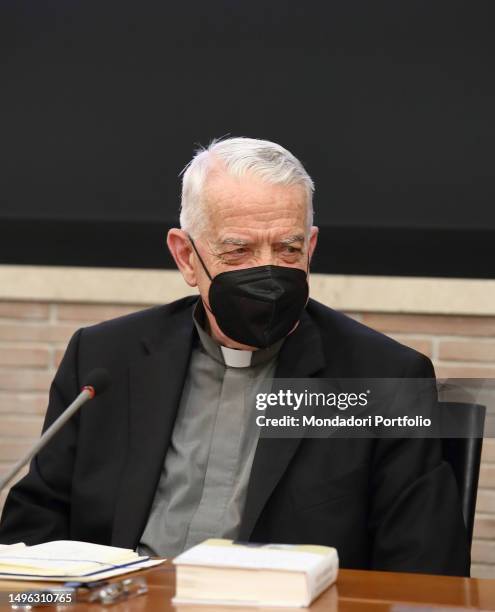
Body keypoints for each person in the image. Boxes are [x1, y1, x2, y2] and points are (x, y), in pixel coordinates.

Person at [0, 137, 469, 575]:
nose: (266, 272)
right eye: (238, 251)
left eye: (287, 249)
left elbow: (424, 571)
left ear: (311, 248)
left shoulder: (381, 379)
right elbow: (32, 531)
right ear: (186, 257)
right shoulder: (105, 360)